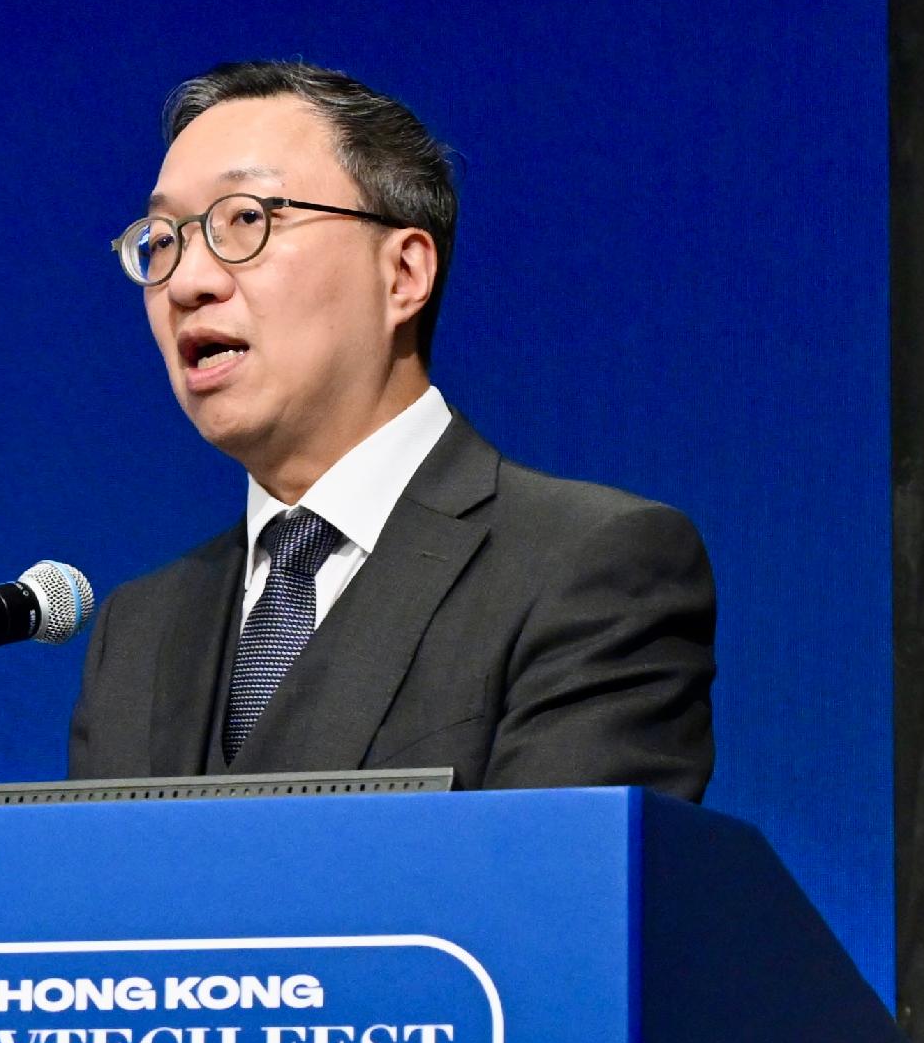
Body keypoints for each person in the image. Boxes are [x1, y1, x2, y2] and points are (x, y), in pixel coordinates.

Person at [65, 61, 714, 795]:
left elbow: (561, 868)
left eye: (244, 220)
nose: (187, 282)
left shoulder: (586, 567)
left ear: (403, 273)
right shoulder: (138, 631)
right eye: (163, 240)